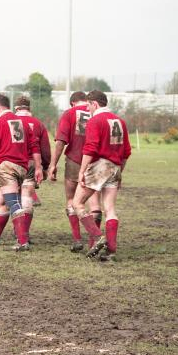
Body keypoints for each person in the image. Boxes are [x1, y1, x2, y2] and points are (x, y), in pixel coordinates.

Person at [0, 94, 43, 251]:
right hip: (22, 168)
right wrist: (38, 167)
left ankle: (22, 240)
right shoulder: (23, 123)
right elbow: (34, 147)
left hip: (6, 167)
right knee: (3, 201)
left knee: (12, 202)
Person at [72, 90, 131, 262]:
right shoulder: (120, 121)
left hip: (100, 167)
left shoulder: (95, 120)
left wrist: (82, 171)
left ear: (94, 104)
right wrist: (120, 172)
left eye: (88, 105)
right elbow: (126, 151)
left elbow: (90, 148)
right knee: (110, 209)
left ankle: (98, 237)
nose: (87, 109)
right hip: (115, 167)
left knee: (77, 203)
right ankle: (111, 252)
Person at [47, 91, 103, 252]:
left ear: (72, 103)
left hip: (75, 160)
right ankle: (94, 242)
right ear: (87, 101)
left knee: (71, 199)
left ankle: (77, 239)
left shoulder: (69, 113)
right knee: (94, 202)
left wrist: (53, 164)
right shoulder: (97, 113)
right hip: (96, 162)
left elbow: (61, 142)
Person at [13, 96, 51, 243]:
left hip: (14, 163)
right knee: (27, 198)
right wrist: (45, 166)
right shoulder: (38, 124)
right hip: (31, 163)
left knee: (14, 198)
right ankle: (25, 234)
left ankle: (18, 232)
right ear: (29, 108)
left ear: (16, 108)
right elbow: (45, 149)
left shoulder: (11, 122)